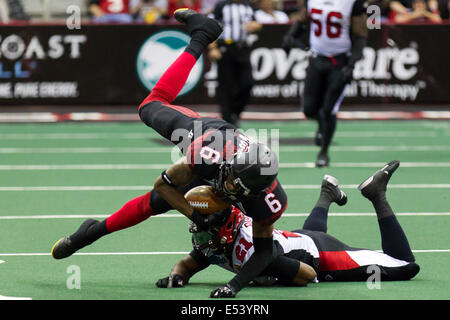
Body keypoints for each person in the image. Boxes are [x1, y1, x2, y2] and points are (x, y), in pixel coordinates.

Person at [51, 9, 296, 299]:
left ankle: (201, 33)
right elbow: (162, 186)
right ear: (231, 168)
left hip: (225, 169)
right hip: (209, 134)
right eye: (231, 182)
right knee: (150, 115)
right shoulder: (207, 155)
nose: (229, 189)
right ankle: (202, 36)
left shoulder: (270, 201)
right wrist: (194, 213)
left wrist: (235, 286)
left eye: (237, 190)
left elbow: (265, 251)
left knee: (164, 203)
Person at [156, 160, 420, 289]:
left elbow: (306, 274)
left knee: (405, 265)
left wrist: (260, 273)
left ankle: (377, 194)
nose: (202, 238)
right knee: (310, 233)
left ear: (225, 228)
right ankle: (328, 193)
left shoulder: (248, 246)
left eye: (205, 229)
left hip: (320, 256)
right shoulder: (217, 244)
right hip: (298, 238)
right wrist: (177, 276)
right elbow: (187, 264)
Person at [282, 0, 368, 168]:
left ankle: (323, 151)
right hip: (317, 58)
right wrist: (291, 35)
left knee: (329, 109)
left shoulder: (352, 3)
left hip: (340, 61)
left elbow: (360, 34)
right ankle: (322, 126)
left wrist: (351, 64)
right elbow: (303, 19)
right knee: (309, 108)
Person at [208, 0, 262, 127]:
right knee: (226, 85)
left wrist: (256, 26)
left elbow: (256, 23)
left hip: (242, 48)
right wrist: (212, 48)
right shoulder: (221, 6)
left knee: (247, 82)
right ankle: (227, 119)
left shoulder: (247, 6)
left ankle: (235, 112)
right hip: (225, 48)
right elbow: (211, 26)